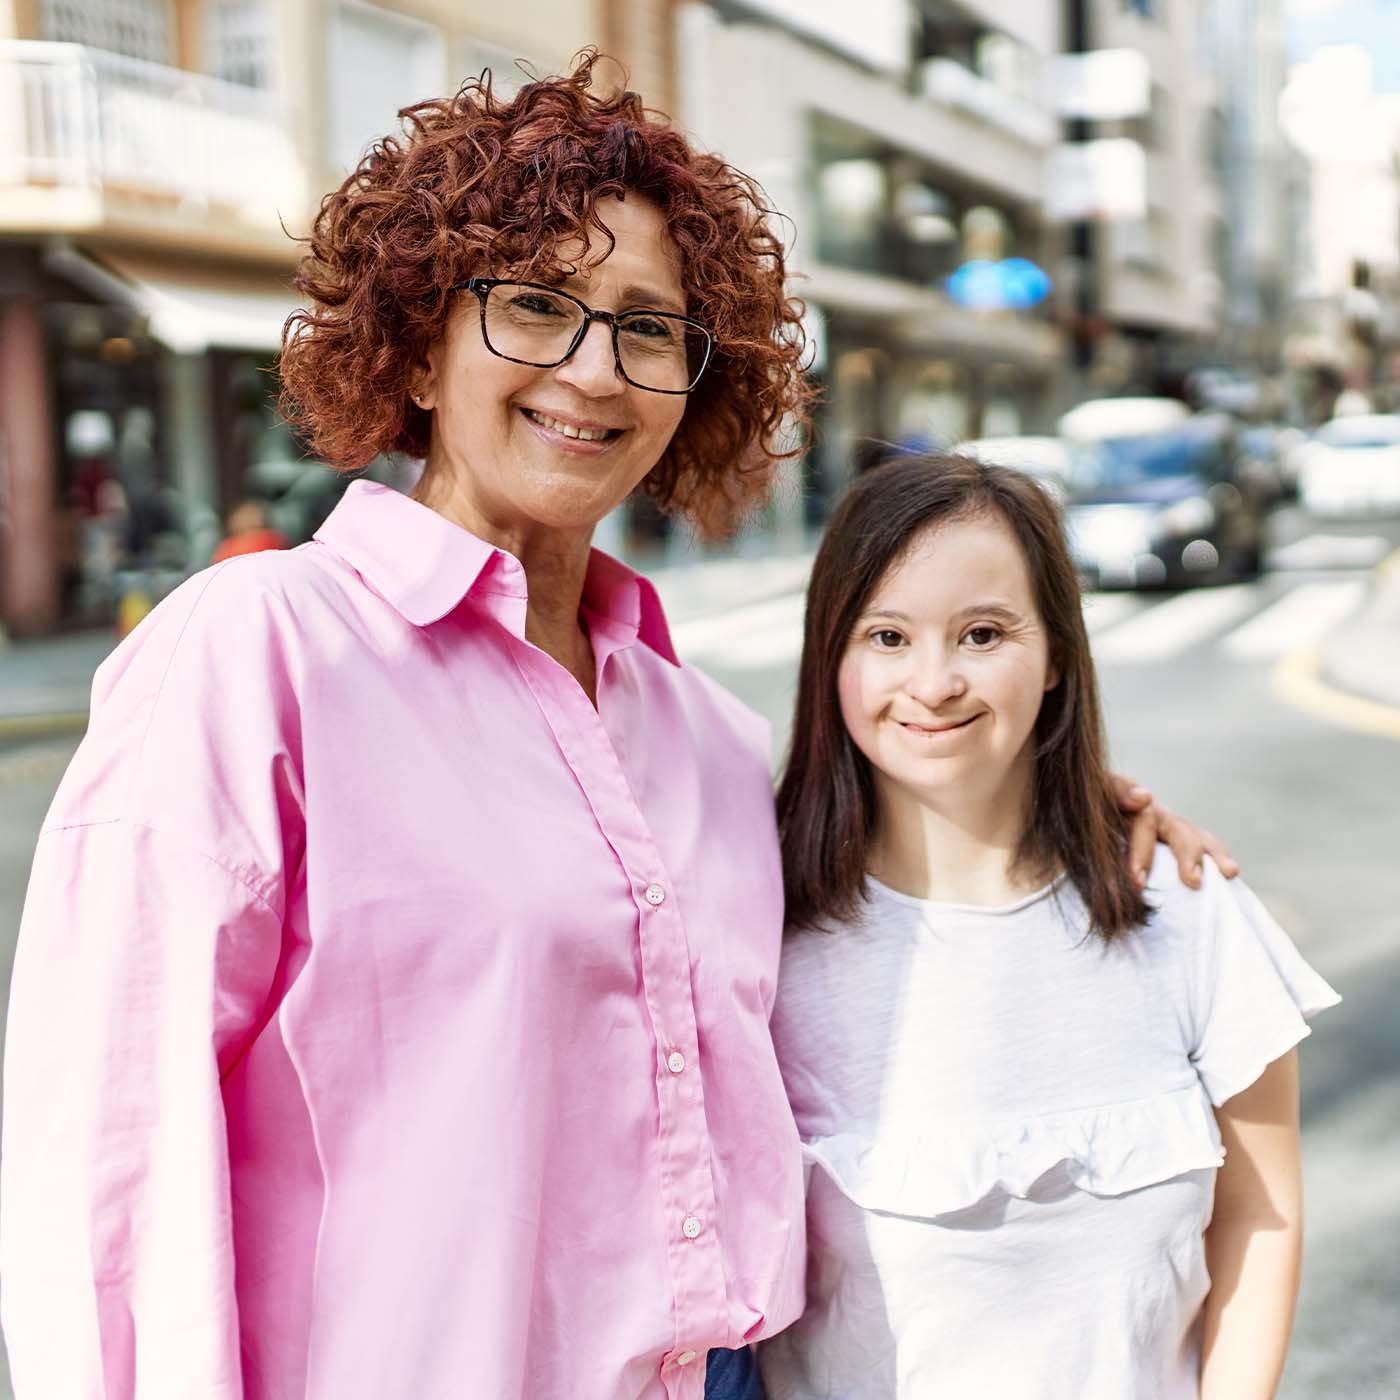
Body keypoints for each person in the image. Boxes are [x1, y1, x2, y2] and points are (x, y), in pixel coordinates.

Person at [1, 58, 1232, 1400]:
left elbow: (882, 887)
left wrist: (1065, 794)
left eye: (648, 329)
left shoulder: (701, 729)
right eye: (535, 307)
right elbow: (106, 1162)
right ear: (417, 344)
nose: (595, 368)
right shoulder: (255, 653)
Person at [759, 454, 1338, 1400]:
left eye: (983, 633)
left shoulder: (1184, 904)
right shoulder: (760, 927)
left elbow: (1259, 1220)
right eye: (888, 636)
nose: (935, 682)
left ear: (1058, 652)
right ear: (832, 657)